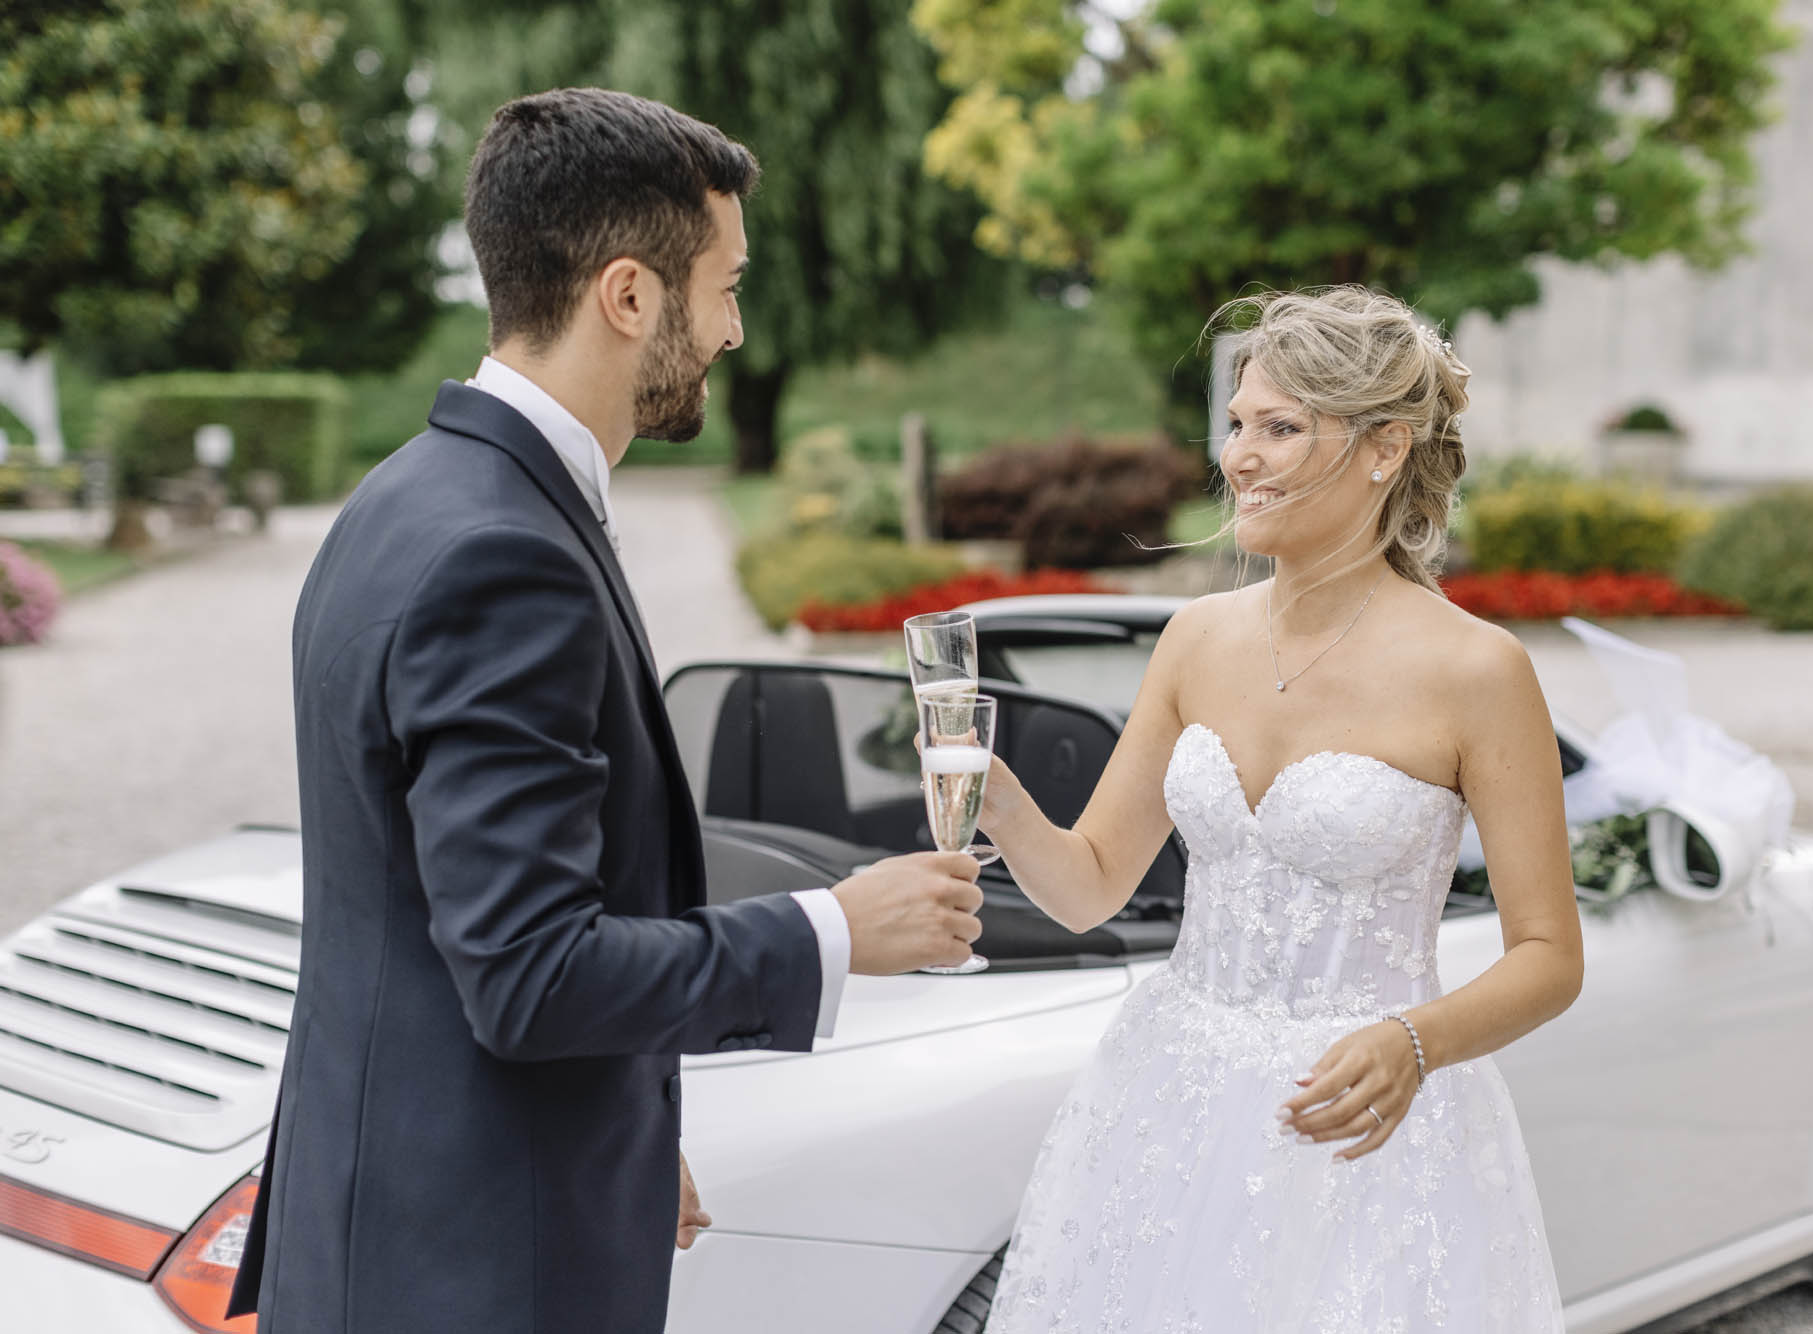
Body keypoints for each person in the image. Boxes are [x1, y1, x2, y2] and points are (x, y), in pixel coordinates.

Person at [226, 88, 984, 1334]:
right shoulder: (500, 552)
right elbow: (528, 971)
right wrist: (830, 928)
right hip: (470, 1275)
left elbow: (428, 924)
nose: (736, 330)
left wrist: (618, 1130)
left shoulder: (406, 493)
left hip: (409, 1212)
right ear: (629, 296)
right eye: (725, 286)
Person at [979, 286, 1584, 1330]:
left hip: (1362, 1125)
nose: (1237, 457)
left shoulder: (1477, 671)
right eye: (1234, 424)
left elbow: (1547, 952)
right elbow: (1088, 884)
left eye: (1278, 427)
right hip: (1169, 1102)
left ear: (1384, 448)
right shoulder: (1194, 638)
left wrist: (1415, 1038)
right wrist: (987, 792)